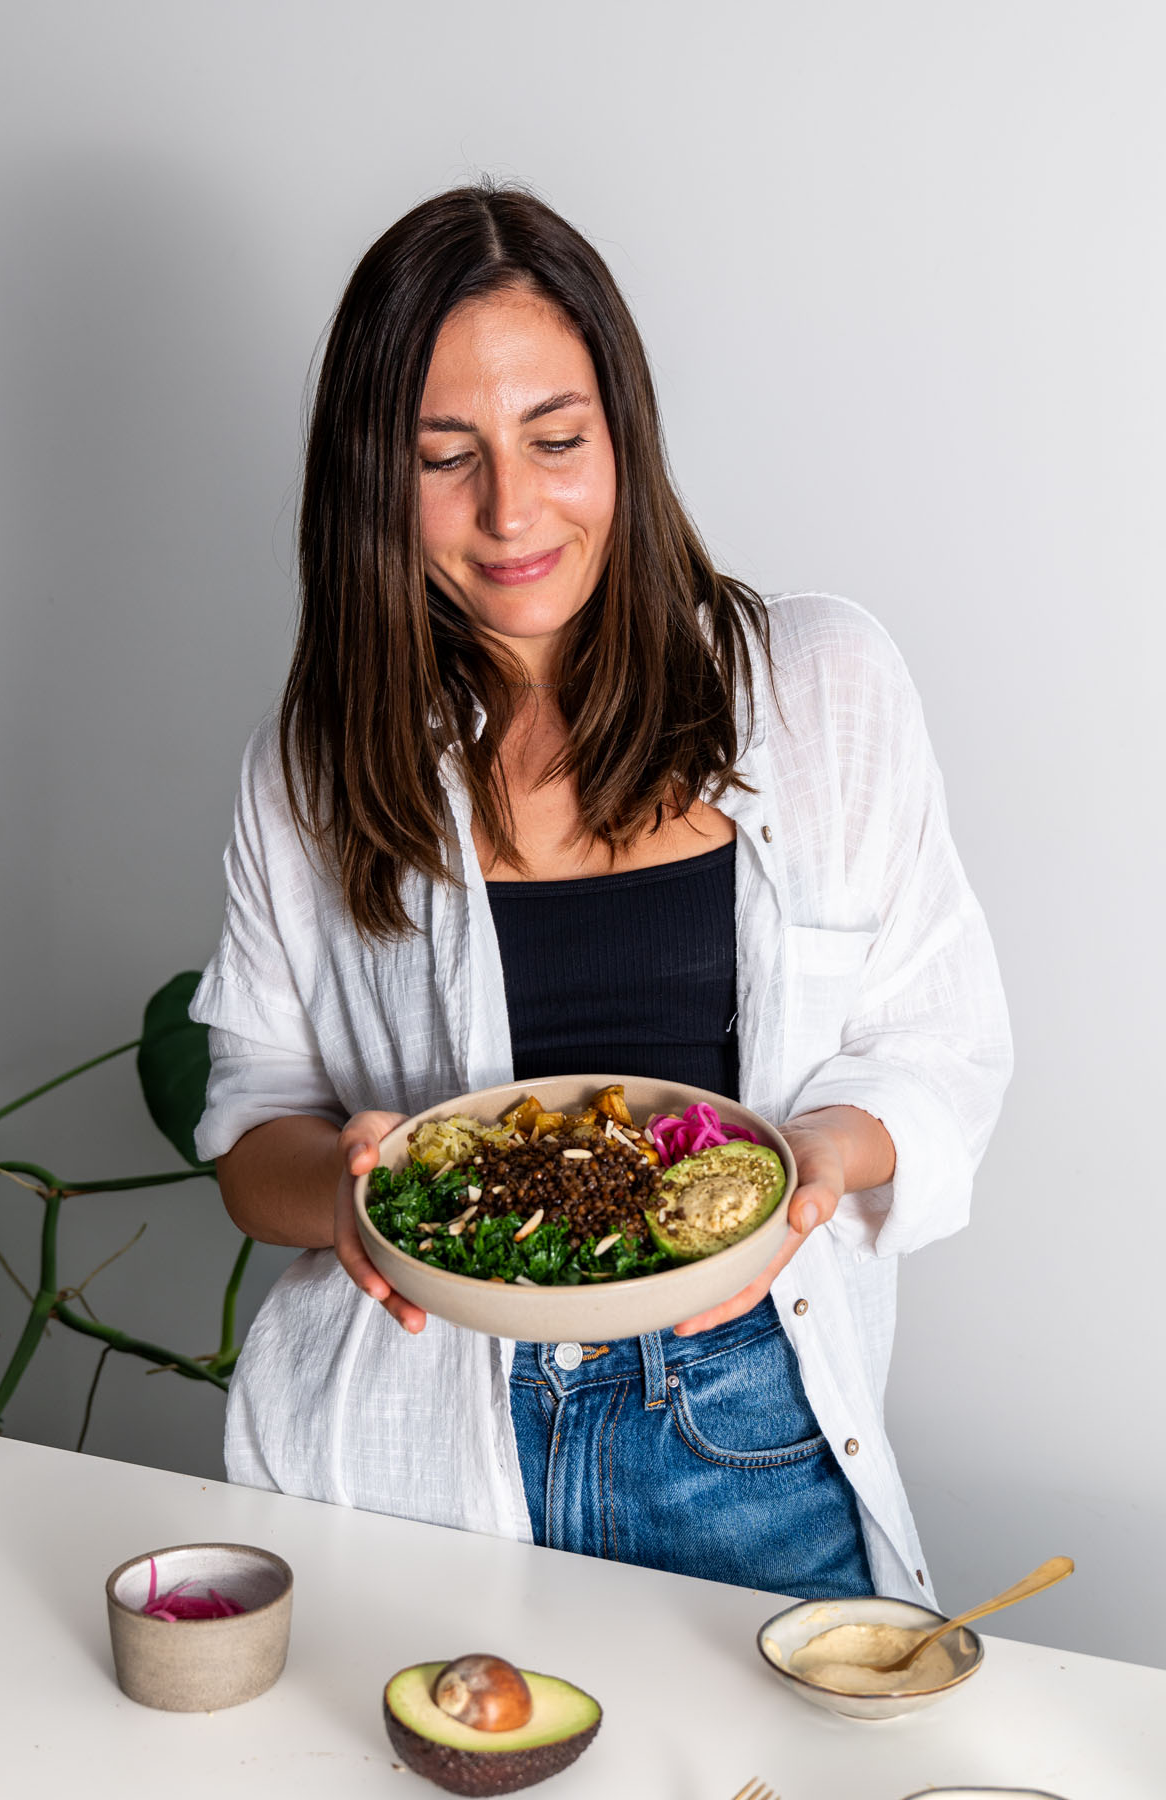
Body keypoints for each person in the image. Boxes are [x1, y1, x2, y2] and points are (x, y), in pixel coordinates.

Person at [190, 182, 1012, 1604]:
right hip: (417, 1448)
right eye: (447, 456)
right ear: (371, 480)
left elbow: (944, 1047)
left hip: (743, 1424)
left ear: (623, 432)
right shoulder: (314, 768)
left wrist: (819, 1151)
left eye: (556, 440)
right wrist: (346, 1185)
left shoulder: (820, 688)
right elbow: (252, 1121)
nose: (513, 509)